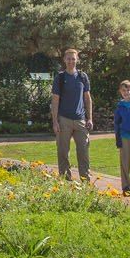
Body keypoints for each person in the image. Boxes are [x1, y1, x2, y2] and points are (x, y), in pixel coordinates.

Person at [50, 48, 92, 181]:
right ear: (64, 60)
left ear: (77, 60)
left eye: (73, 59)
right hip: (64, 120)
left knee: (83, 152)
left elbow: (87, 98)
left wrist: (90, 118)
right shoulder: (60, 78)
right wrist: (55, 122)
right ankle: (65, 180)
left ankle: (85, 180)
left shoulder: (82, 76)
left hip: (80, 120)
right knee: (63, 152)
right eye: (68, 59)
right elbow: (55, 100)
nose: (71, 61)